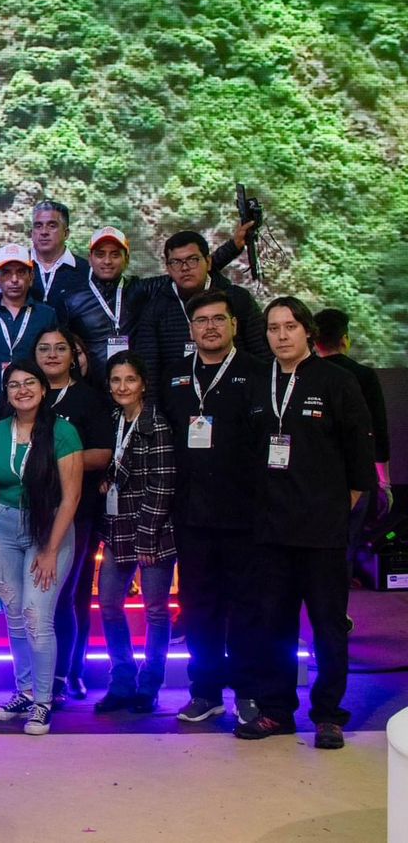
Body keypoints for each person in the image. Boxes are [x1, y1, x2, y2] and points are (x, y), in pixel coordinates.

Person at [237, 297, 376, 750]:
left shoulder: (337, 381)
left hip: (322, 531)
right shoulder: (258, 382)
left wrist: (334, 510)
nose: (281, 335)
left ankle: (328, 715)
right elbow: (247, 452)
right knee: (273, 625)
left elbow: (359, 460)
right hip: (270, 530)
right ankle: (276, 711)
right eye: (273, 328)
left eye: (290, 326)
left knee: (328, 626)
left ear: (307, 331)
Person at [161, 289, 266, 725]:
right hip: (191, 515)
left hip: (244, 515)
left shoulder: (258, 373)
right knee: (199, 607)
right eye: (201, 320)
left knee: (245, 608)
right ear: (191, 329)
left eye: (218, 319)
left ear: (234, 325)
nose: (210, 327)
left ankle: (247, 691)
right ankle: (205, 692)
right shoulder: (174, 377)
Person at [0, 362, 84, 735]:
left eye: (29, 383)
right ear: (7, 393)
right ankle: (25, 691)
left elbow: (71, 497)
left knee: (36, 616)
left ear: (44, 389)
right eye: (14, 385)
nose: (22, 390)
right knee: (13, 613)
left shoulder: (63, 432)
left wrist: (50, 550)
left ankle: (43, 701)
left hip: (49, 528)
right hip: (3, 527)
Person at [91, 352, 177, 715]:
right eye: (116, 380)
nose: (122, 387)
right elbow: (111, 464)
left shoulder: (156, 423)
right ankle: (122, 680)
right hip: (117, 529)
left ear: (143, 383)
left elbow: (163, 484)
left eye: (130, 379)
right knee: (110, 605)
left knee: (155, 610)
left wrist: (147, 536)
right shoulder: (112, 420)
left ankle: (149, 684)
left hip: (152, 530)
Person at [33, 325, 114, 707]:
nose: (52, 355)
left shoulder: (89, 399)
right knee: (39, 595)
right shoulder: (25, 393)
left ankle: (67, 673)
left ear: (74, 356)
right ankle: (37, 676)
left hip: (77, 510)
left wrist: (55, 460)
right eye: (44, 348)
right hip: (30, 512)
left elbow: (103, 454)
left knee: (69, 593)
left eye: (60, 348)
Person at [132, 230, 270, 392]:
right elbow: (149, 369)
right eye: (176, 262)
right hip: (178, 397)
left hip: (238, 393)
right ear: (167, 268)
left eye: (193, 260)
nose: (184, 268)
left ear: (208, 262)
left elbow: (263, 355)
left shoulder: (238, 299)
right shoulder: (155, 309)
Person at [314, 308, 394, 536]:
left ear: (314, 341)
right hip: (356, 478)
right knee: (349, 545)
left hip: (315, 480)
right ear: (344, 340)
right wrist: (385, 484)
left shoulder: (308, 376)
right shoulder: (364, 375)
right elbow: (378, 431)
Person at [0, 245, 57, 418]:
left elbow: (52, 364)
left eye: (21, 272)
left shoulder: (46, 315)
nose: (14, 279)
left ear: (31, 277)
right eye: (6, 273)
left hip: (35, 409)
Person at [61, 227, 145, 386]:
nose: (107, 261)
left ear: (127, 259)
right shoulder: (72, 299)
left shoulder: (140, 290)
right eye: (100, 254)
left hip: (131, 386)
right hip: (91, 388)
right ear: (90, 259)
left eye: (115, 255)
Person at [28, 200, 87, 309]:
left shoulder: (85, 270)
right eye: (38, 226)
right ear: (31, 233)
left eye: (52, 226)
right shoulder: (17, 266)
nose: (44, 232)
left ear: (66, 233)